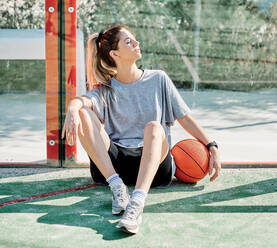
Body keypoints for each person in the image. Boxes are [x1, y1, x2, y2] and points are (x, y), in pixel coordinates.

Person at [62, 24, 221, 234]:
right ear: (114, 54)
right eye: (129, 42)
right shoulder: (106, 88)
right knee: (84, 112)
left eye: (134, 39)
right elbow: (82, 102)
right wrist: (73, 109)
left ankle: (136, 204)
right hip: (116, 165)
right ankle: (117, 188)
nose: (136, 43)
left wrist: (211, 145)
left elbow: (185, 118)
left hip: (154, 168)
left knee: (155, 128)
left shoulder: (158, 79)